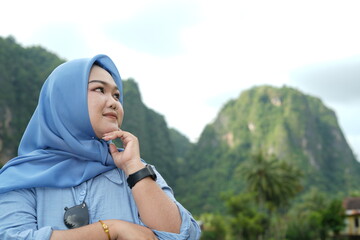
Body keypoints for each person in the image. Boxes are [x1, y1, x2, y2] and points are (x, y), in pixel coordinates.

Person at [0, 54, 201, 240]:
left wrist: (135, 169)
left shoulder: (135, 171)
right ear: (65, 99)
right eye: (99, 89)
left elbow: (184, 235)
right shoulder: (23, 176)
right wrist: (111, 229)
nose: (114, 103)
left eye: (116, 95)